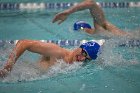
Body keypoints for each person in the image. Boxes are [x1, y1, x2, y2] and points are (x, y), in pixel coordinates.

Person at [0, 40, 103, 78]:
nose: (81, 58)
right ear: (80, 47)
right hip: (19, 74)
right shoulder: (58, 52)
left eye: (86, 58)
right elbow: (24, 43)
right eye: (83, 52)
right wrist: (8, 66)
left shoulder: (77, 65)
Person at [53, 0, 129, 36]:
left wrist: (68, 12)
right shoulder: (102, 29)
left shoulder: (99, 27)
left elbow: (91, 3)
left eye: (81, 29)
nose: (84, 30)